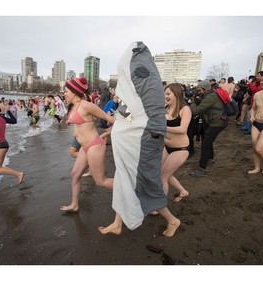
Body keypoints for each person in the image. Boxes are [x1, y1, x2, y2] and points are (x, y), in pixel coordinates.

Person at [98, 41, 180, 237]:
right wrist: (115, 129)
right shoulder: (133, 86)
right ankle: (118, 223)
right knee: (122, 180)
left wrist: (154, 131)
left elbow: (153, 109)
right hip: (129, 143)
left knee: (144, 182)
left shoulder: (143, 75)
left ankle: (172, 220)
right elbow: (129, 110)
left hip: (142, 142)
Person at [59, 77, 115, 213]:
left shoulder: (86, 105)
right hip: (84, 147)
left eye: (66, 91)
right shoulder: (74, 106)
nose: (64, 93)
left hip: (94, 146)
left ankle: (130, 188)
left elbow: (110, 119)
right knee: (75, 174)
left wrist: (108, 133)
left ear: (74, 92)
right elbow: (80, 121)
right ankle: (74, 205)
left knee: (100, 181)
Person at [189, 80, 226, 177]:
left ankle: (202, 169)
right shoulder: (211, 94)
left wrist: (193, 102)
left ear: (206, 89)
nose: (198, 92)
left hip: (216, 123)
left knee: (205, 144)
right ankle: (210, 158)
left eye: (200, 90)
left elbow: (196, 111)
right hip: (217, 121)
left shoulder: (210, 97)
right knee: (208, 139)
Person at [162, 83, 191, 202]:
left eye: (168, 94)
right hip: (166, 147)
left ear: (176, 94)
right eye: (164, 94)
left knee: (162, 176)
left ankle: (160, 206)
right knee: (164, 173)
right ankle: (183, 191)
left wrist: (162, 127)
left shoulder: (185, 109)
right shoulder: (165, 108)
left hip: (180, 149)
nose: (165, 96)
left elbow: (182, 129)